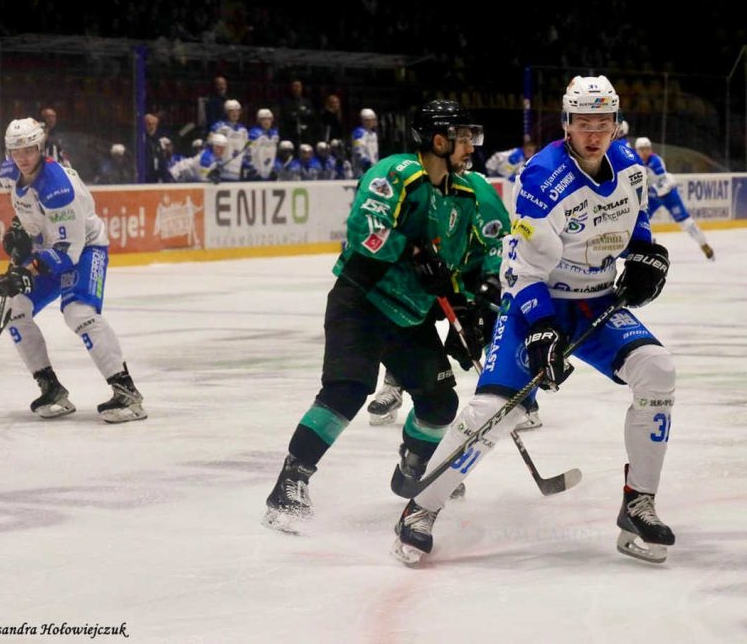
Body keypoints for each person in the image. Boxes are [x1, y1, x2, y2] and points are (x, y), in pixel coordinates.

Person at [391, 76, 676, 566]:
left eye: (602, 123)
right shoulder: (542, 176)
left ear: (616, 124)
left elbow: (634, 221)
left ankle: (638, 503)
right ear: (567, 123)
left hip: (596, 301)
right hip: (536, 302)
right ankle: (419, 510)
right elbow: (522, 270)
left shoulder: (630, 166)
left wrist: (649, 255)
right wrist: (542, 328)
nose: (594, 133)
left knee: (658, 370)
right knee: (496, 412)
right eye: (583, 123)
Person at [262, 100, 492, 532]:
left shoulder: (462, 196)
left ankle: (413, 463)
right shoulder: (397, 173)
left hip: (411, 317)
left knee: (441, 403)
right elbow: (366, 231)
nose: (470, 147)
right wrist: (412, 250)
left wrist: (467, 309)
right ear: (438, 141)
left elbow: (458, 266)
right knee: (347, 390)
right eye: (462, 138)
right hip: (362, 301)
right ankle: (290, 482)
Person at [0, 118, 147, 423]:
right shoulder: (9, 172)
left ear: (40, 147)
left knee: (78, 311)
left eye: (28, 149)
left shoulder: (57, 187)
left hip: (85, 248)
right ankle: (51, 389)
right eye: (15, 150)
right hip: (51, 247)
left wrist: (28, 271)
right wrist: (20, 230)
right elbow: (27, 208)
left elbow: (69, 249)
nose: (22, 157)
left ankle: (127, 393)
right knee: (16, 310)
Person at [367, 169, 543, 430]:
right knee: (405, 321)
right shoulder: (420, 186)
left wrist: (490, 282)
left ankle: (517, 398)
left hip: (472, 279)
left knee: (495, 326)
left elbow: (500, 242)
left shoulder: (476, 191)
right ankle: (394, 384)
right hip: (435, 276)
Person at [634, 137, 715, 261]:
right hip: (653, 196)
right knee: (640, 220)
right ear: (637, 150)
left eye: (647, 149)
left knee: (686, 223)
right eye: (642, 149)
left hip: (668, 194)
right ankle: (648, 243)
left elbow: (658, 182)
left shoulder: (655, 161)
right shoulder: (635, 161)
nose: (645, 152)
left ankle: (704, 245)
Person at [210, 100, 248, 182]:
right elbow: (210, 146)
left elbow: (245, 150)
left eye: (237, 111)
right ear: (226, 112)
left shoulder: (243, 130)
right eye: (231, 111)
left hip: (237, 172)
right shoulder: (218, 127)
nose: (235, 114)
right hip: (221, 172)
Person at [243, 108, 280, 181]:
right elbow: (247, 152)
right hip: (257, 174)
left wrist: (275, 168)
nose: (267, 122)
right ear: (259, 121)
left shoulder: (275, 135)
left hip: (269, 174)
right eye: (264, 119)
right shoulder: (253, 134)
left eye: (269, 119)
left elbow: (275, 154)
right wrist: (251, 169)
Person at [351, 108, 379, 175]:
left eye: (372, 120)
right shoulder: (359, 133)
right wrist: (364, 161)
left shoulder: (373, 134)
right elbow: (357, 148)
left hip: (373, 166)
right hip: (362, 168)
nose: (370, 122)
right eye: (367, 120)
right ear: (362, 121)